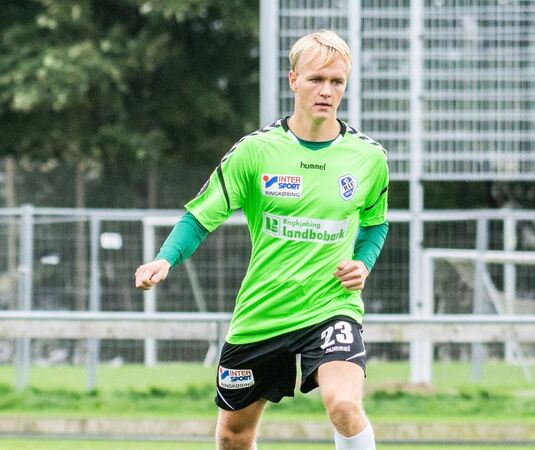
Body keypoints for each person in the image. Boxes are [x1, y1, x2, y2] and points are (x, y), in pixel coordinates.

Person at [134, 30, 388, 450]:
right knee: (233, 437)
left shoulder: (369, 157)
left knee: (344, 404)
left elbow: (375, 224)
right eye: (316, 79)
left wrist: (363, 262)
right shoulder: (255, 152)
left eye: (337, 82)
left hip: (331, 307)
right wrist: (165, 259)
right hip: (263, 312)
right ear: (294, 80)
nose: (327, 91)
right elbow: (201, 215)